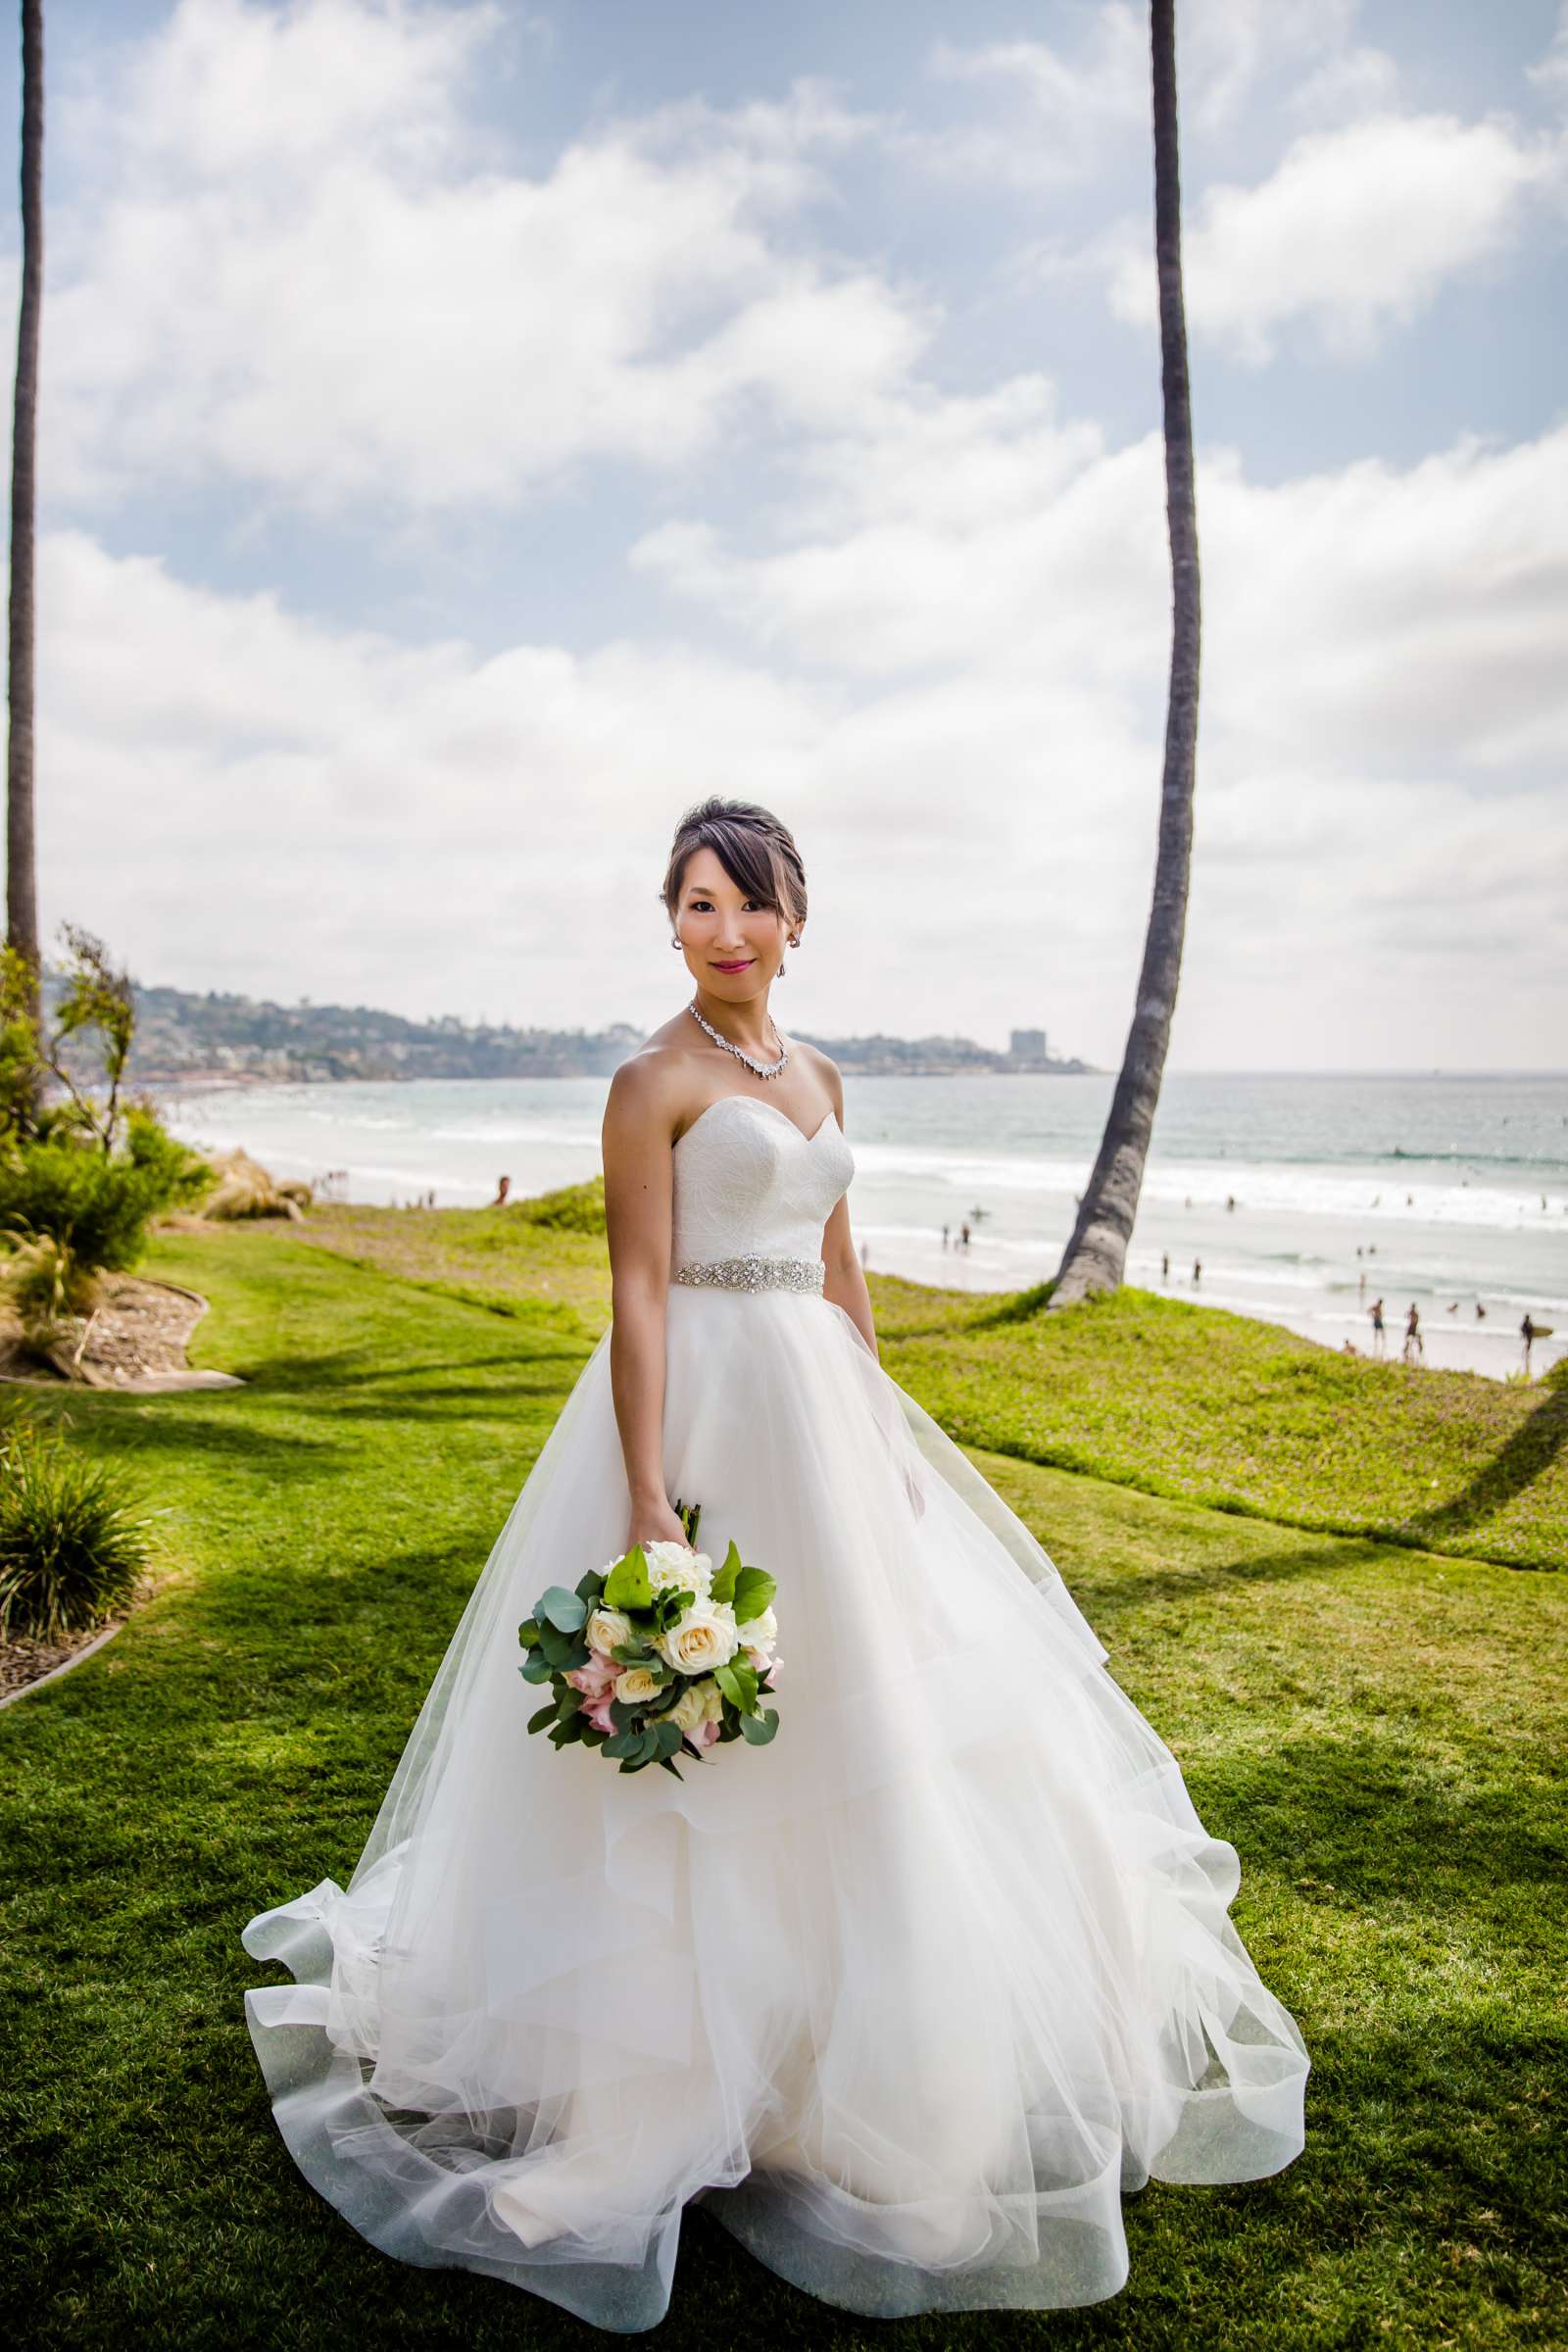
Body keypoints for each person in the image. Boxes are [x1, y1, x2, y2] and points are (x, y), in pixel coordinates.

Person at [239, 798, 1308, 2330]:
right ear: (670, 925)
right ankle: (657, 2084)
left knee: (872, 1727)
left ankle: (860, 2075)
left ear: (797, 917)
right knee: (708, 1760)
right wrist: (647, 1499)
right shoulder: (649, 1081)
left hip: (823, 1411)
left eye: (747, 903)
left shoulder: (817, 1074)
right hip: (713, 1418)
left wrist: (883, 1440)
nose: (723, 929)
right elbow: (638, 1291)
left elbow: (843, 1268)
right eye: (693, 905)